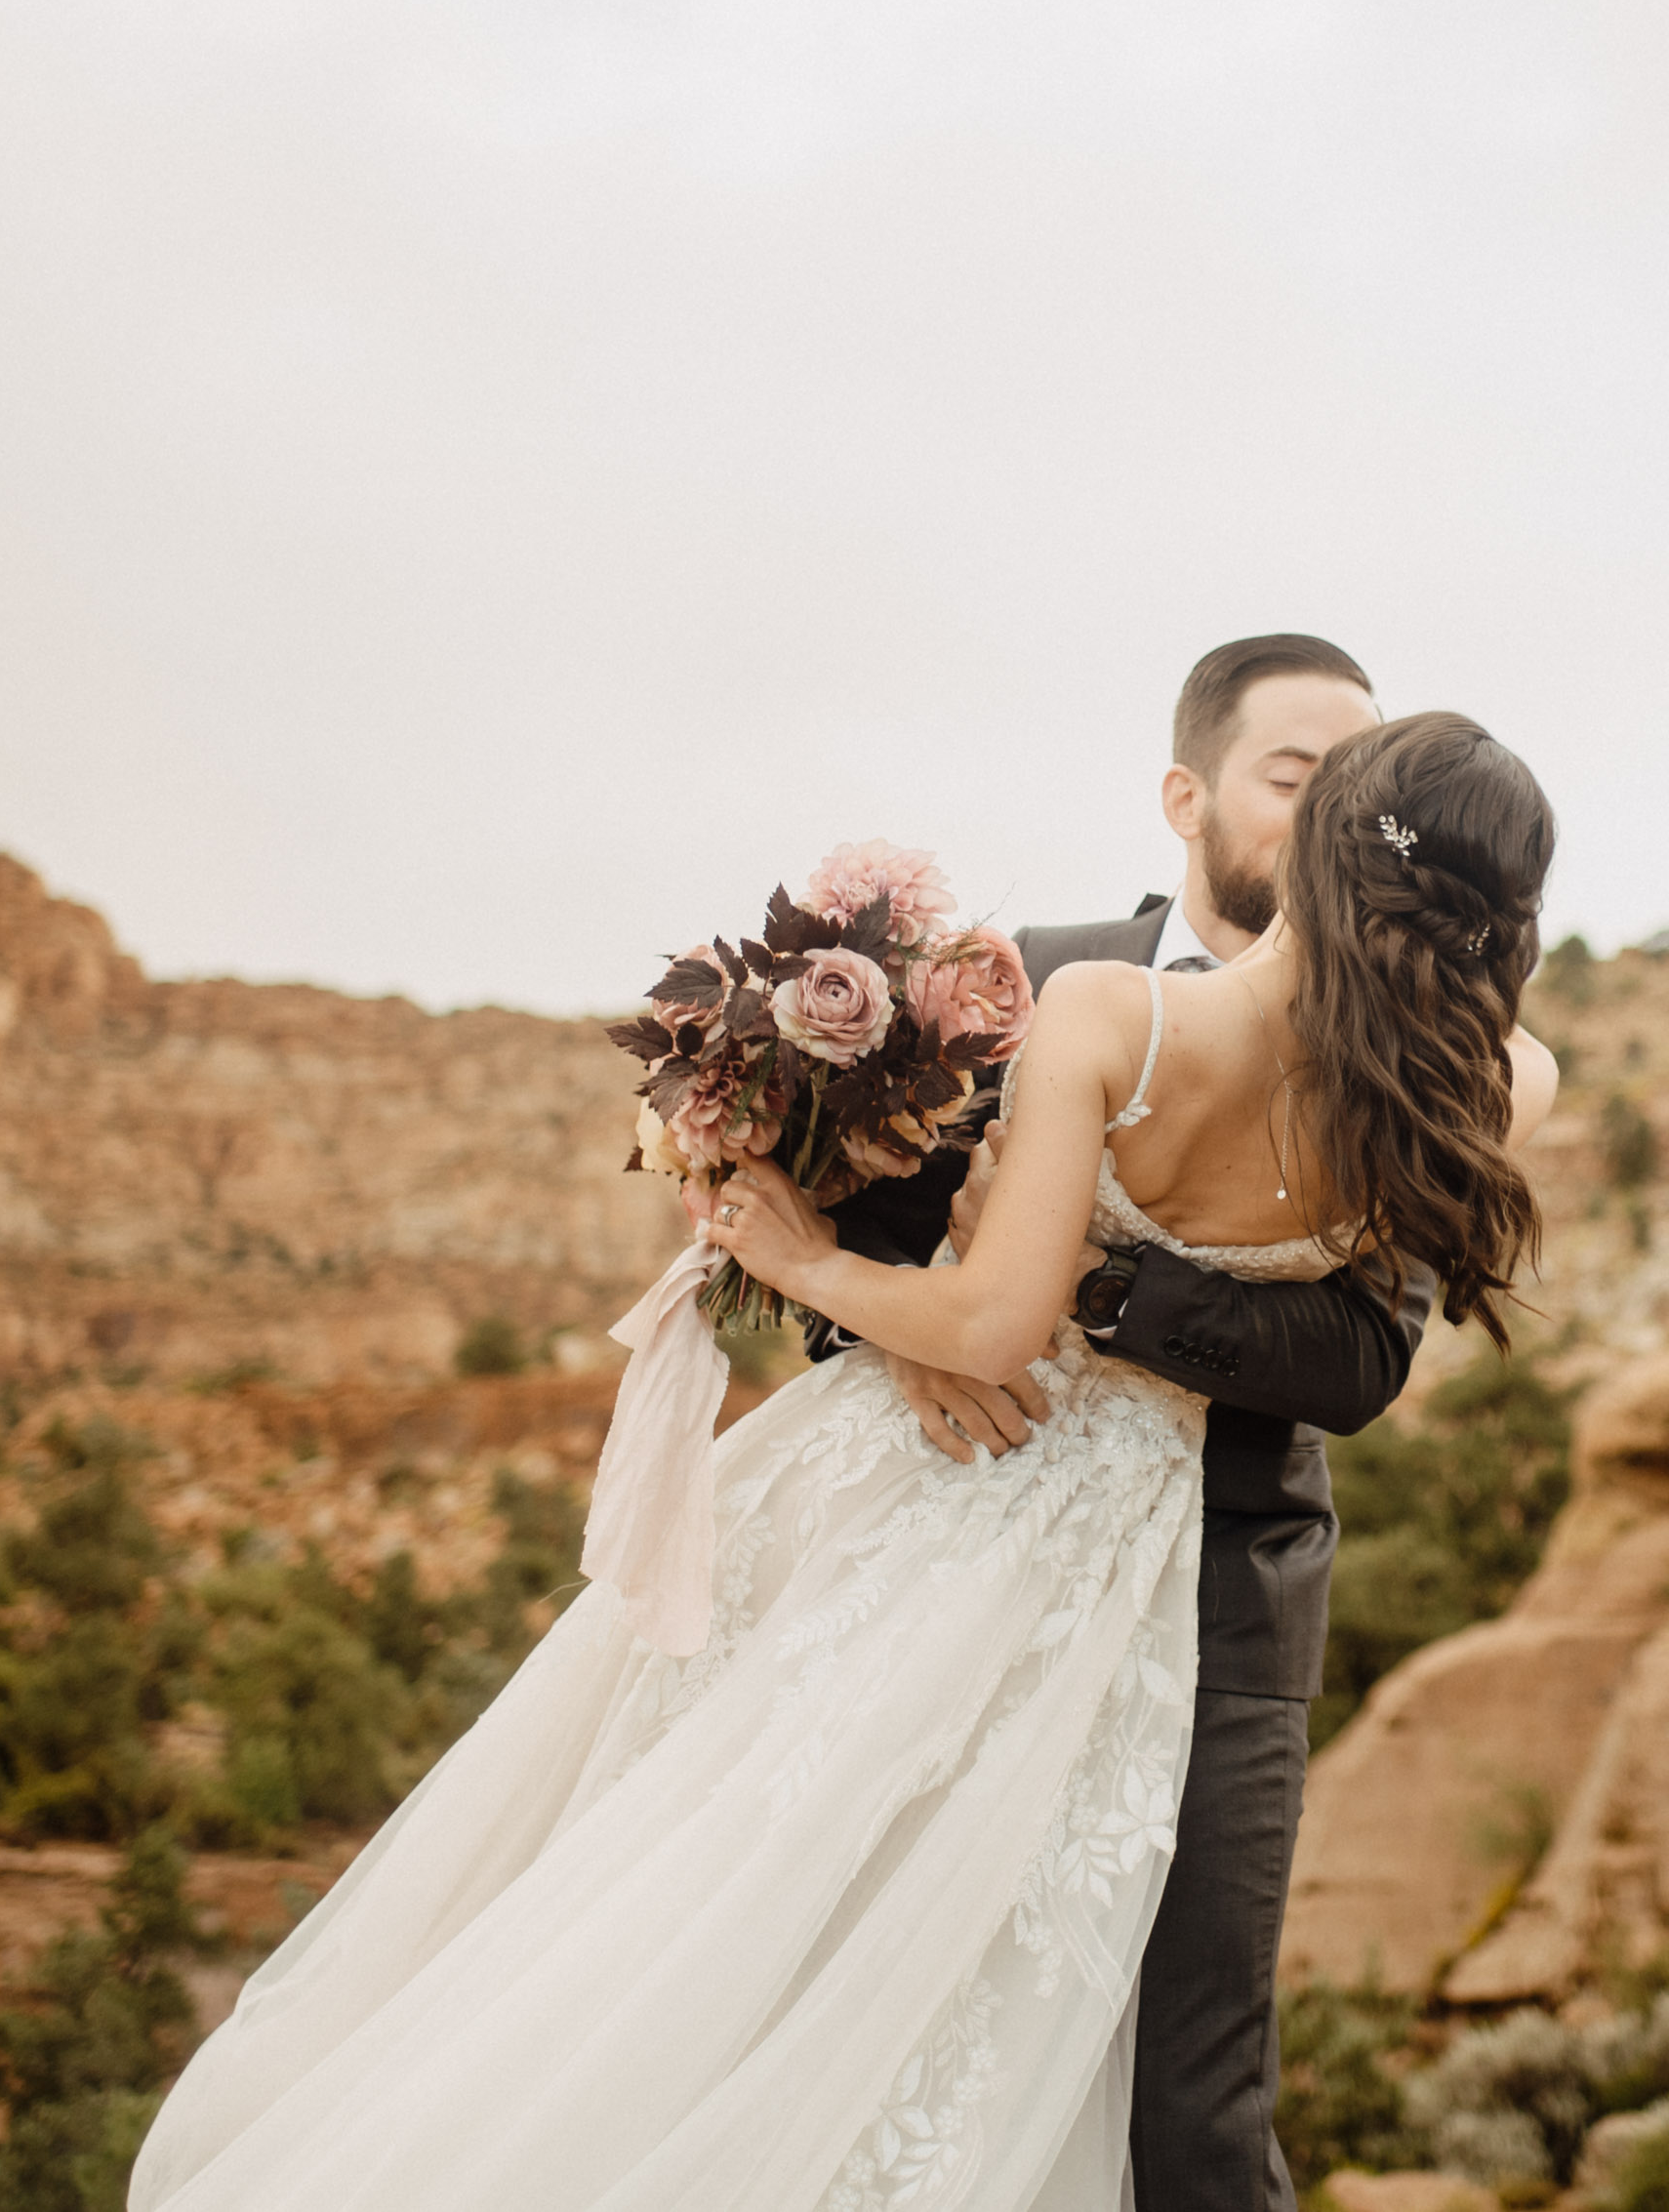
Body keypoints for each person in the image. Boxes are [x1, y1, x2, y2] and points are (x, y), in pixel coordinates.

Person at [128, 709, 1558, 2212]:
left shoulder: (1109, 1019)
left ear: (1319, 848)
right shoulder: (1500, 1088)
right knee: (980, 1993)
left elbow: (996, 1325)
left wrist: (798, 1256)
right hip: (1119, 1568)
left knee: (718, 1890)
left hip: (948, 1497)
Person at [826, 634, 1425, 2212]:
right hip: (955, 1563)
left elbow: (1363, 1362)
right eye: (1295, 781)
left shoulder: (1397, 1053)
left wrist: (1090, 1294)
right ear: (1187, 791)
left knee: (1192, 2098)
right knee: (901, 2032)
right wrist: (914, 1343)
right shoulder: (1027, 979)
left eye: (1358, 793)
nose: (1330, 824)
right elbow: (857, 1234)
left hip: (1228, 1606)